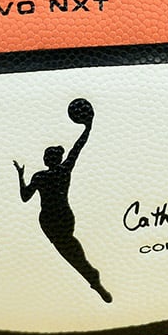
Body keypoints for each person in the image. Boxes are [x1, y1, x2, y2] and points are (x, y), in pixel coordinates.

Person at [13, 99, 111, 303]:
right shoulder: (64, 170)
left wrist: (20, 176)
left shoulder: (40, 176)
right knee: (70, 248)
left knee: (68, 250)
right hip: (63, 216)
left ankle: (91, 277)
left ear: (47, 159)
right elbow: (77, 148)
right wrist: (88, 128)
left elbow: (24, 197)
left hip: (49, 219)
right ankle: (92, 277)